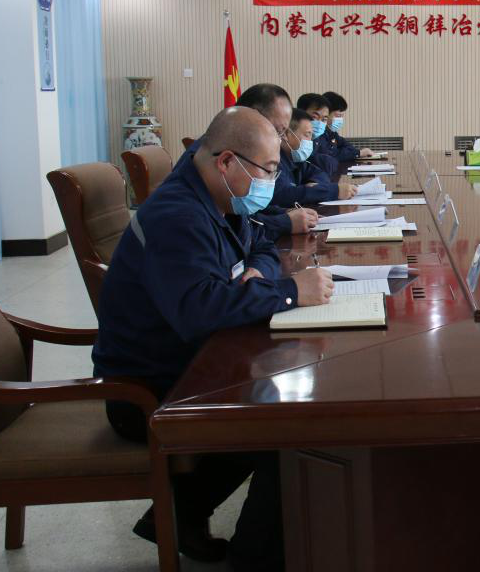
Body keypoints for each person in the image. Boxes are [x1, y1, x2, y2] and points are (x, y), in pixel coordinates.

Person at [94, 107, 335, 571]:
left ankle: (180, 513)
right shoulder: (178, 215)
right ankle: (254, 560)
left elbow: (261, 246)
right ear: (226, 162)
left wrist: (256, 276)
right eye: (267, 170)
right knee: (289, 421)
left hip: (194, 361)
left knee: (281, 388)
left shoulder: (219, 197)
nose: (272, 181)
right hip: (148, 388)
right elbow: (199, 312)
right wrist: (289, 292)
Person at [180, 84, 320, 239]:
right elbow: (235, 230)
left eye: (282, 133)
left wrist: (283, 213)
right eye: (277, 131)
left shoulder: (249, 152)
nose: (280, 141)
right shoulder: (214, 158)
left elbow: (246, 220)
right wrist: (285, 222)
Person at [273, 108, 356, 206]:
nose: (310, 141)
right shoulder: (274, 160)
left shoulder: (295, 158)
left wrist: (314, 184)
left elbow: (320, 173)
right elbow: (283, 195)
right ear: (285, 134)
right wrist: (333, 191)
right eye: (307, 135)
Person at [319, 91, 374, 163]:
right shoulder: (318, 133)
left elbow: (348, 146)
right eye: (338, 116)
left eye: (342, 116)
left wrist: (352, 153)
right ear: (326, 113)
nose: (340, 119)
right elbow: (331, 156)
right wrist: (359, 153)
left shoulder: (331, 132)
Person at [296, 93, 339, 175]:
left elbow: (331, 161)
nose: (319, 123)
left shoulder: (317, 138)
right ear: (299, 114)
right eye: (314, 117)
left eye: (324, 119)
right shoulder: (290, 139)